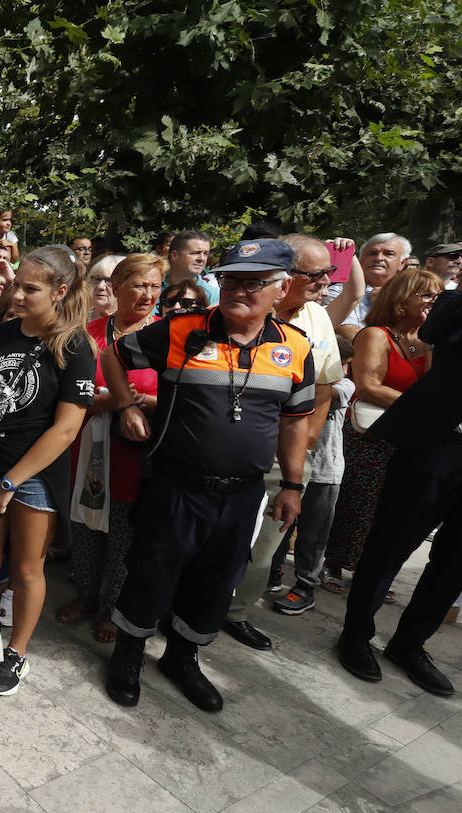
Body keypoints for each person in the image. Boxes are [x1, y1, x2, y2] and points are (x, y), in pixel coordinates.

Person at [102, 238, 314, 713]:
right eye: (231, 280)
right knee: (151, 574)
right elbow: (112, 356)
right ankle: (128, 656)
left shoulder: (295, 347)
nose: (240, 290)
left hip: (242, 496)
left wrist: (295, 486)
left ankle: (182, 657)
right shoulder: (181, 330)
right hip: (177, 487)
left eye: (254, 283)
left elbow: (296, 421)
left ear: (281, 289)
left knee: (216, 582)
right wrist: (124, 405)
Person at [0, 246, 97, 695]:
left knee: (26, 570)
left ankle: (15, 654)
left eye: (29, 289)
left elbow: (66, 429)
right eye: (16, 285)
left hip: (33, 475)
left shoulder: (76, 347)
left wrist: (10, 483)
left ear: (59, 292)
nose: (16, 295)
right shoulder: (3, 334)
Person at [337, 283, 462, 696]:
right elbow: (435, 329)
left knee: (457, 560)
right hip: (441, 444)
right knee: (390, 544)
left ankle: (410, 645)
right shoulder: (458, 303)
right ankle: (356, 634)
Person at [221, 234, 345, 650]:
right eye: (316, 274)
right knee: (212, 543)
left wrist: (302, 452)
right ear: (284, 276)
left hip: (285, 461)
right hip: (228, 456)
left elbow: (325, 388)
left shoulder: (316, 317)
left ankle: (235, 613)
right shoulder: (227, 315)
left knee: (266, 546)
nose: (325, 282)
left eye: (329, 273)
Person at [58, 253, 164, 644]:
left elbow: (177, 395)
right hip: (86, 445)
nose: (147, 294)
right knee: (85, 525)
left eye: (154, 286)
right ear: (115, 288)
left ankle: (112, 607)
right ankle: (85, 596)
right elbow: (69, 388)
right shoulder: (87, 333)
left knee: (125, 533)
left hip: (134, 451)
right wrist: (116, 400)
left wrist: (143, 403)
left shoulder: (165, 336)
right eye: (139, 285)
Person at [322, 269, 439, 592]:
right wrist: (421, 408)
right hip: (371, 432)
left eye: (438, 297)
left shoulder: (428, 341)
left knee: (389, 507)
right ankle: (333, 562)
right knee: (356, 499)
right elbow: (370, 387)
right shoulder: (376, 334)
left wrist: (432, 341)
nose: (435, 302)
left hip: (406, 434)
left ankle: (366, 568)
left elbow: (433, 385)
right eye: (427, 295)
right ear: (402, 300)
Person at [274, 335, 355, 616]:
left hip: (325, 470)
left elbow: (322, 392)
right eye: (341, 365)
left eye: (346, 365)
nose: (345, 371)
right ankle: (273, 574)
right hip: (293, 465)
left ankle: (306, 585)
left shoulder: (344, 385)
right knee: (280, 525)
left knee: (313, 534)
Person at [331, 233, 408, 340]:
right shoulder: (340, 291)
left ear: (402, 263)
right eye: (372, 253)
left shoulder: (413, 294)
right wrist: (380, 310)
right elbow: (352, 336)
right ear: (360, 260)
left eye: (389, 254)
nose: (379, 258)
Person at [164, 230, 219, 304]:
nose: (201, 258)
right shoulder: (152, 287)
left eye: (205, 254)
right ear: (175, 255)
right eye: (196, 253)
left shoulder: (214, 296)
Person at [86, 254, 124, 319]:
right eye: (97, 279)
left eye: (109, 280)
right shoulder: (78, 322)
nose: (100, 286)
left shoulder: (137, 325)